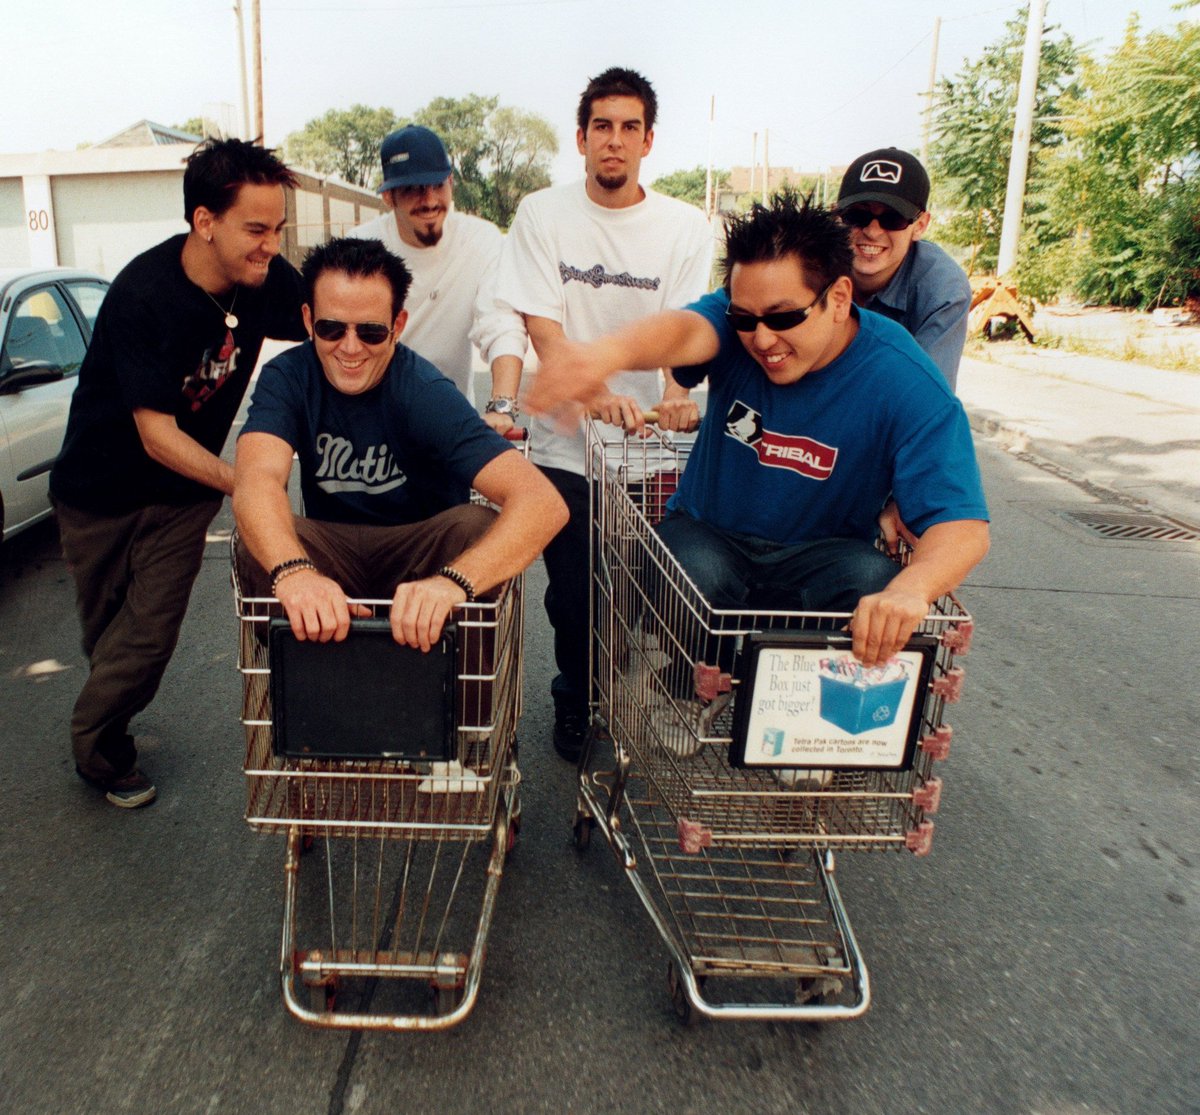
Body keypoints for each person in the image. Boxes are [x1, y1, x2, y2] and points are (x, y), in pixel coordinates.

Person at [525, 192, 990, 668]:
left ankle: (800, 699)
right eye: (745, 320)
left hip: (824, 555)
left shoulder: (904, 378)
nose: (763, 339)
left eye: (784, 317)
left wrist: (911, 589)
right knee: (681, 570)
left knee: (875, 581)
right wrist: (604, 355)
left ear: (839, 298)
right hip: (710, 537)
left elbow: (961, 523)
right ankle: (697, 685)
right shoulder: (738, 324)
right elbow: (686, 331)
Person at [50, 138, 306, 808]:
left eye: (277, 229)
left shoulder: (266, 279)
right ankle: (111, 707)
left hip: (179, 498)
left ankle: (99, 753)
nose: (269, 246)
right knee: (106, 635)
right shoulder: (145, 295)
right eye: (255, 229)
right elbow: (157, 435)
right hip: (97, 495)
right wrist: (246, 482)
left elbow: (328, 320)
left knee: (149, 634)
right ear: (204, 221)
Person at [493, 66, 713, 760]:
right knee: (578, 599)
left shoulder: (684, 226)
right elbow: (543, 326)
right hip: (569, 448)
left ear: (648, 141)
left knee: (658, 592)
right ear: (581, 138)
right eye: (601, 128)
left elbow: (682, 325)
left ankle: (653, 687)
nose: (613, 142)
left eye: (628, 128)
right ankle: (577, 702)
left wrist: (676, 396)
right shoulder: (542, 214)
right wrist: (593, 395)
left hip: (652, 453)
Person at [232, 236, 566, 653]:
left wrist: (452, 583)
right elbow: (257, 478)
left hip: (419, 551)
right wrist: (294, 571)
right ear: (307, 319)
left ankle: (456, 711)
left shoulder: (423, 390)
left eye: (371, 332)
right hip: (335, 548)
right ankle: (309, 699)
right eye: (331, 328)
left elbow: (543, 503)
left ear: (398, 325)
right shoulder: (288, 377)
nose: (350, 348)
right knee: (259, 543)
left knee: (475, 526)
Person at [348, 125, 526, 424]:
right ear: (389, 196)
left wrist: (502, 406)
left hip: (450, 418)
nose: (429, 200)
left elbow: (500, 323)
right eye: (413, 189)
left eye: (438, 185)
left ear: (451, 182)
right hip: (374, 420)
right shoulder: (360, 246)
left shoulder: (480, 239)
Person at [835, 146, 971, 390]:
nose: (872, 231)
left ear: (920, 225)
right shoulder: (809, 268)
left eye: (892, 219)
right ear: (838, 217)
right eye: (858, 216)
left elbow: (925, 397)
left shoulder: (943, 289)